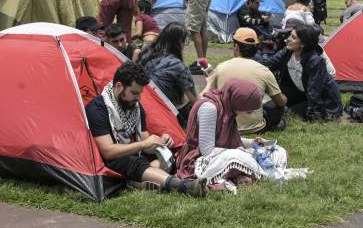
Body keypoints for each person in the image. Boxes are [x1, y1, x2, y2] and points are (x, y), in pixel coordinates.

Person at [84, 61, 205, 196]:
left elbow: (145, 141)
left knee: (165, 153)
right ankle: (182, 186)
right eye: (134, 93)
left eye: (140, 93)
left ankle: (137, 181)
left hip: (133, 154)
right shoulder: (98, 108)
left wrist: (159, 142)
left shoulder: (134, 106)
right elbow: (107, 151)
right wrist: (143, 144)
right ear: (118, 86)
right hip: (112, 159)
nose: (138, 98)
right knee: (130, 161)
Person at [176, 78, 286, 186]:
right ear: (238, 101)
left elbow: (229, 140)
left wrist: (252, 143)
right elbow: (207, 151)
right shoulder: (209, 108)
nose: (248, 112)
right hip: (200, 161)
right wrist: (244, 153)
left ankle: (250, 171)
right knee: (237, 156)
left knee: (278, 151)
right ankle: (259, 172)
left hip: (221, 156)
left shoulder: (228, 109)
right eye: (247, 108)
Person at [203, 28, 286, 134]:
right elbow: (280, 102)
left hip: (226, 126)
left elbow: (206, 96)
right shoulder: (264, 70)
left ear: (236, 47)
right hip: (256, 128)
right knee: (276, 104)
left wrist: (209, 81)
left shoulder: (220, 68)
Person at [137, 23, 197, 126]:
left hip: (142, 106)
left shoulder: (146, 54)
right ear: (179, 43)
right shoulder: (178, 65)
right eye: (185, 42)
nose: (185, 45)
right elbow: (195, 100)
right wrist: (210, 83)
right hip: (164, 114)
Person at [279, 25, 342, 121]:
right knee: (277, 107)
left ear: (303, 44)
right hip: (304, 95)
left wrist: (312, 114)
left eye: (293, 37)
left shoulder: (316, 61)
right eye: (290, 36)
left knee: (287, 114)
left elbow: (314, 91)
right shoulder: (289, 51)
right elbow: (268, 64)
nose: (288, 39)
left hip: (325, 104)